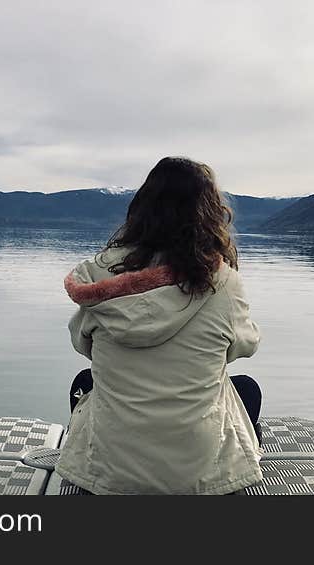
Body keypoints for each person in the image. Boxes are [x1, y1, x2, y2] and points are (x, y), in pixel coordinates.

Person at [54, 156, 263, 495]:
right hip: (197, 473)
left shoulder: (98, 274)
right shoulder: (222, 282)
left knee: (85, 380)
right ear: (211, 213)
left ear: (141, 210)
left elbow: (83, 345)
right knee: (246, 389)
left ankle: (93, 471)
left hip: (113, 473)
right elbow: (245, 345)